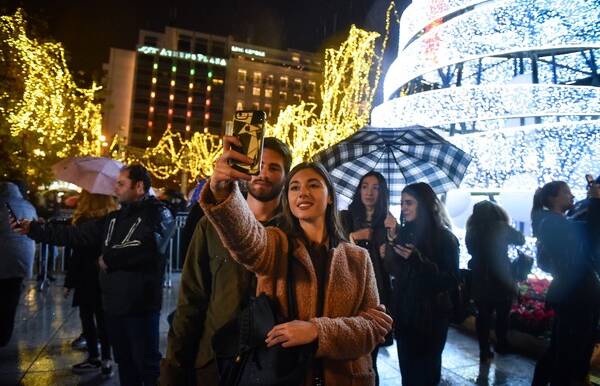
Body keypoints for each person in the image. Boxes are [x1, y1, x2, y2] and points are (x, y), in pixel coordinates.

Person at [197, 135, 393, 385]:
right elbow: (245, 238)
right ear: (288, 200)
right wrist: (222, 190)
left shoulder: (358, 258)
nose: (303, 192)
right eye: (295, 187)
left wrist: (317, 331)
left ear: (330, 196)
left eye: (313, 185)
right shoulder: (275, 245)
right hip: (287, 377)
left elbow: (373, 329)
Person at [10, 164, 176, 386]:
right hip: (113, 304)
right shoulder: (113, 219)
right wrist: (33, 230)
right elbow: (75, 235)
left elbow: (148, 245)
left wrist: (109, 258)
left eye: (121, 183)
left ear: (139, 186)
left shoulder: (159, 214)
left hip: (140, 305)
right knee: (125, 363)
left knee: (146, 364)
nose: (114, 188)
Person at [159, 137, 293, 385]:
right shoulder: (211, 225)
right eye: (258, 165)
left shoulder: (295, 233)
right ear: (244, 171)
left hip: (272, 366)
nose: (264, 173)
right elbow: (190, 301)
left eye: (274, 168)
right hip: (212, 363)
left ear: (286, 177)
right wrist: (173, 369)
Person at [383, 182, 459, 386]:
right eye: (401, 203)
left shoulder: (445, 238)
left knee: (425, 376)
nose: (404, 208)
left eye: (409, 203)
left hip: (431, 319)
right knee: (408, 376)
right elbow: (393, 269)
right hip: (405, 316)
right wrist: (391, 240)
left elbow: (450, 280)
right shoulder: (405, 233)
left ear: (424, 204)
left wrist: (420, 261)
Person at [530, 180, 600, 386]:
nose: (571, 196)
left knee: (560, 349)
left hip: (575, 293)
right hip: (577, 295)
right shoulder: (552, 223)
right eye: (566, 193)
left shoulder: (557, 221)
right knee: (568, 355)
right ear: (553, 198)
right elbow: (593, 232)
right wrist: (594, 201)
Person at [339, 170, 396, 385]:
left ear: (382, 193)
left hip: (378, 293)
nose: (369, 192)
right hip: (350, 290)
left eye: (376, 187)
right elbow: (334, 247)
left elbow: (393, 268)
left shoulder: (388, 222)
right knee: (349, 351)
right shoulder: (346, 217)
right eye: (365, 186)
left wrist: (392, 237)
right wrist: (354, 236)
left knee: (371, 356)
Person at [63, 190, 120, 378]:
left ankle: (94, 357)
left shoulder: (83, 221)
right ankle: (106, 360)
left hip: (87, 276)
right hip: (106, 273)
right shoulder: (114, 219)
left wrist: (69, 282)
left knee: (87, 317)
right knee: (104, 319)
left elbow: (77, 255)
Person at [465, 200, 526, 362]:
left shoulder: (471, 230)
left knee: (483, 315)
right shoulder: (501, 227)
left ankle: (484, 349)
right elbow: (521, 240)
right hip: (501, 275)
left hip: (480, 276)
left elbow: (470, 250)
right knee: (502, 313)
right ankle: (502, 344)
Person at [0, 181, 38, 346]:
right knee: (12, 295)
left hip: (3, 254)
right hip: (23, 255)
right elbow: (35, 225)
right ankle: (5, 334)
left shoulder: (1, 204)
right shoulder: (28, 205)